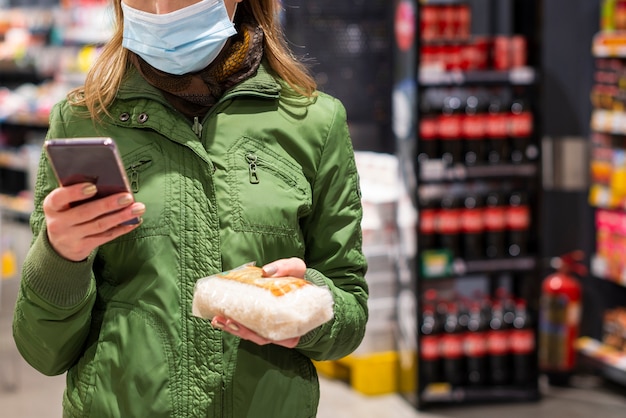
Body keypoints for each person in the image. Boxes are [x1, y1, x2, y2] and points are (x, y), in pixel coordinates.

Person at [12, 0, 369, 417]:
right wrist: (59, 257)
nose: (162, 8)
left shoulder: (313, 121)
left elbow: (351, 314)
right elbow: (44, 351)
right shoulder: (82, 119)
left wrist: (305, 304)